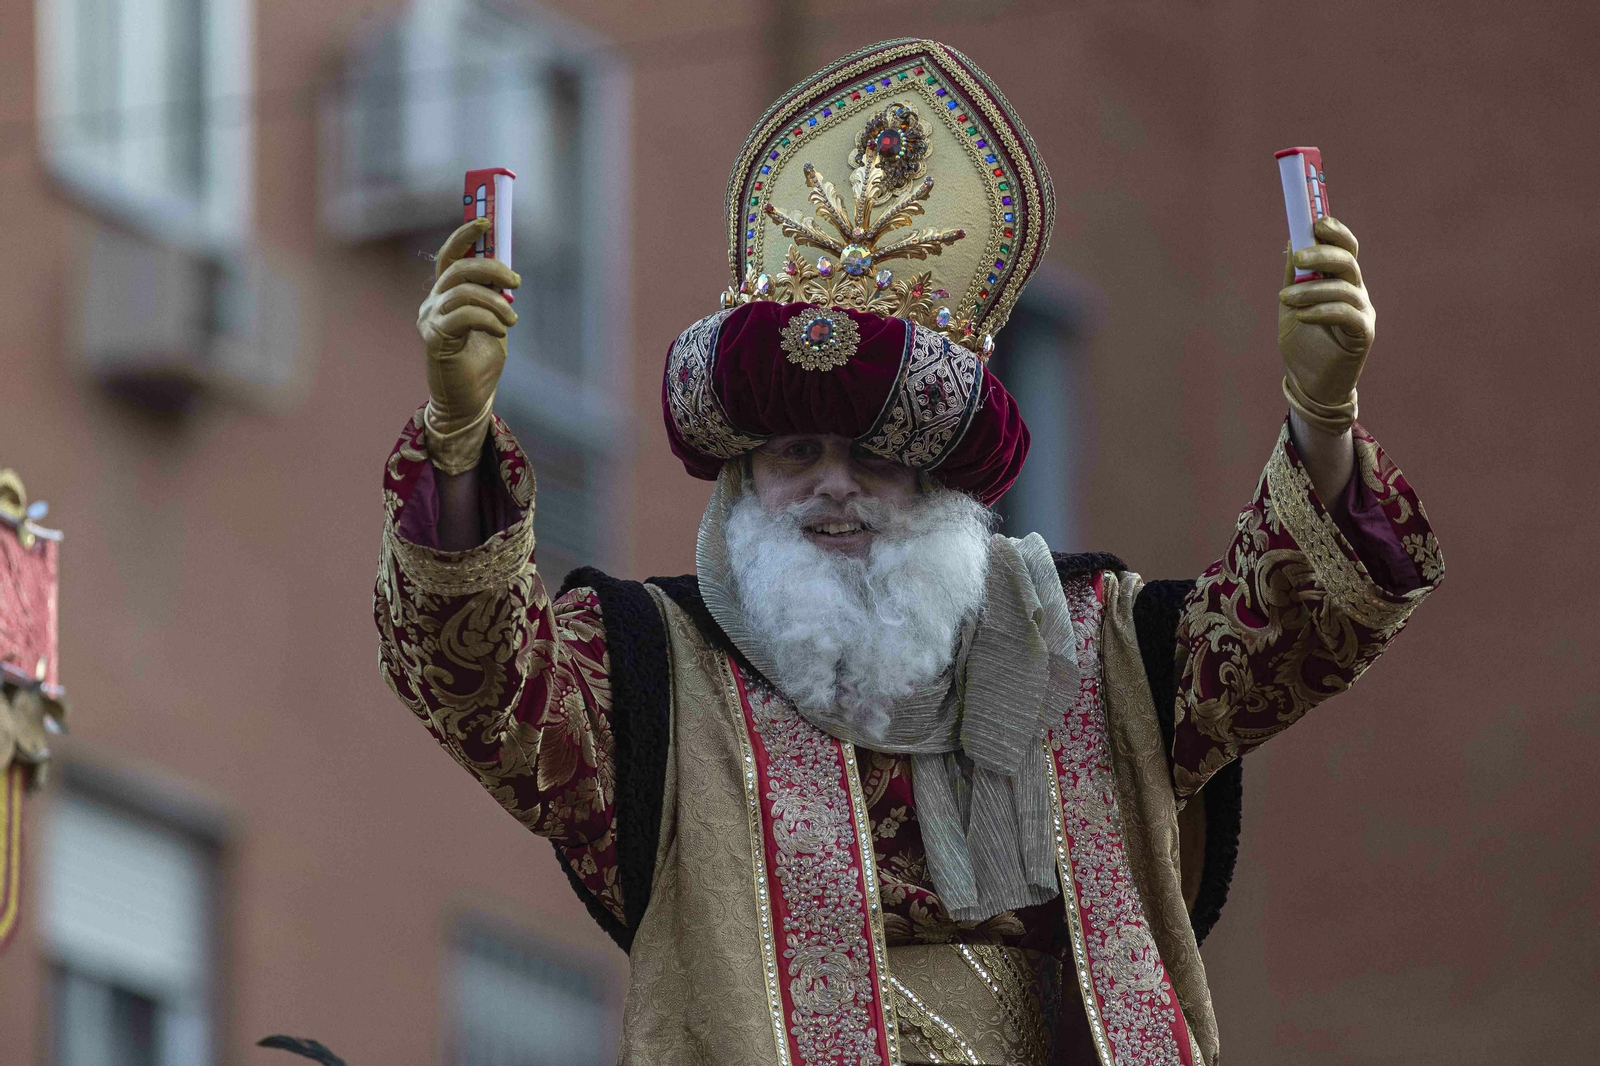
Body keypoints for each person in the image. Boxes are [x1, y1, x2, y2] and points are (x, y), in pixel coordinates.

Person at [375, 39, 1442, 1066]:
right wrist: (459, 432)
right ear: (743, 476)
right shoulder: (650, 671)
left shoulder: (1095, 650)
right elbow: (474, 678)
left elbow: (1297, 628)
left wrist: (1320, 411)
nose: (834, 485)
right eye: (794, 451)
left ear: (940, 486)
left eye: (876, 456)